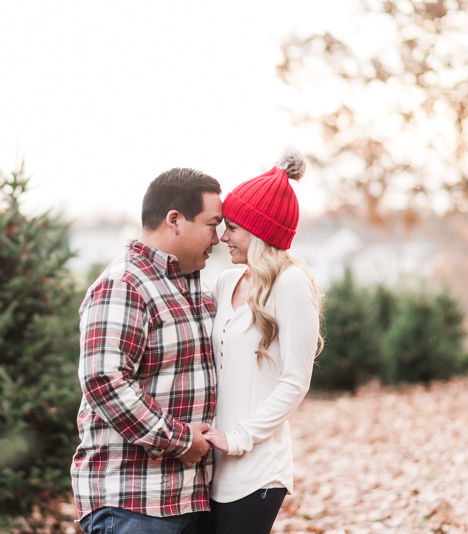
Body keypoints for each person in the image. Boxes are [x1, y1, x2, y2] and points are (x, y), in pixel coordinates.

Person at [71, 168, 224, 534]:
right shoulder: (125, 284)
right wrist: (180, 440)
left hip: (189, 498)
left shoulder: (193, 292)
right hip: (134, 504)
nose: (217, 239)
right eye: (211, 224)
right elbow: (104, 380)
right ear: (175, 220)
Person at [199, 149, 324, 534]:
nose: (223, 237)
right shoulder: (225, 282)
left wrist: (239, 437)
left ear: (259, 231)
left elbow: (294, 382)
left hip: (257, 468)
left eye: (232, 227)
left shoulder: (291, 285)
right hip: (214, 465)